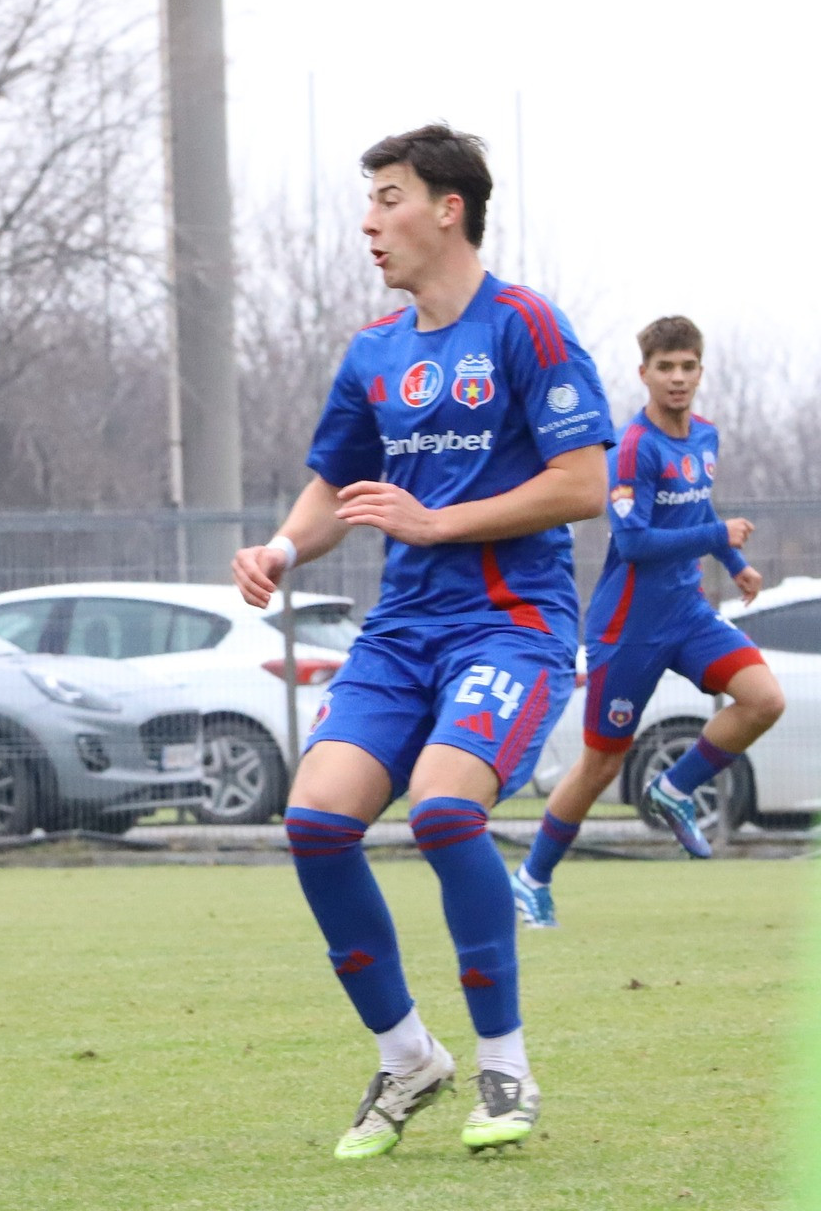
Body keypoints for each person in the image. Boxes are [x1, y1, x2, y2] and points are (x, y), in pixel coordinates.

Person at [233, 125, 611, 1157]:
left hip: (512, 623)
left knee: (444, 810)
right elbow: (333, 489)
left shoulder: (524, 326)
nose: (368, 222)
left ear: (448, 208)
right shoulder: (373, 352)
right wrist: (279, 546)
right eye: (368, 202)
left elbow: (583, 484)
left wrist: (439, 522)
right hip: (401, 633)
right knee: (313, 823)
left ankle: (506, 1070)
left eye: (388, 198)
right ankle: (407, 1058)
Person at [512, 316, 785, 924]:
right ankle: (531, 877)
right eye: (666, 367)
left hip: (687, 613)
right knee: (601, 764)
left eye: (688, 366)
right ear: (645, 374)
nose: (678, 378)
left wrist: (732, 561)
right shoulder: (631, 447)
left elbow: (698, 506)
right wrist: (719, 534)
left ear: (700, 371)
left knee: (764, 699)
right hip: (628, 628)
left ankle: (674, 787)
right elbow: (633, 543)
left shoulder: (706, 437)